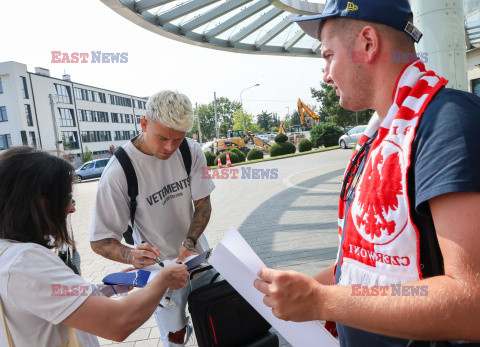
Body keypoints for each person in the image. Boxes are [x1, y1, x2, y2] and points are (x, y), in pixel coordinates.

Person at [253, 0, 480, 345]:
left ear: (368, 44)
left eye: (328, 56)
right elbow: (365, 264)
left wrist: (321, 300)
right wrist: (299, 290)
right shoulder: (381, 137)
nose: (326, 75)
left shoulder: (447, 122)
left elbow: (471, 304)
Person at [0, 146, 189, 346]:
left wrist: (109, 289)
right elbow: (118, 322)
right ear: (40, 202)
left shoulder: (10, 254)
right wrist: (163, 279)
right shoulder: (25, 261)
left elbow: (53, 294)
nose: (72, 208)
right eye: (66, 198)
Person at [90, 90, 216, 346]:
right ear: (144, 123)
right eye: (162, 138)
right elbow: (99, 241)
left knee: (216, 317)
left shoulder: (191, 151)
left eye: (177, 139)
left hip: (196, 259)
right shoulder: (118, 172)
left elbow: (203, 203)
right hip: (159, 274)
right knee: (175, 337)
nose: (170, 147)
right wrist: (132, 256)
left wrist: (190, 242)